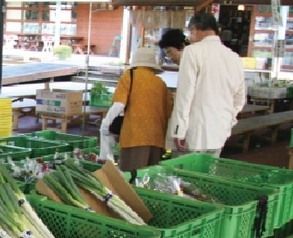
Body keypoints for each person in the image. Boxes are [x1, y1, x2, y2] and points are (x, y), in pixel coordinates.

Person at [168, 13, 246, 158]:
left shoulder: (192, 51)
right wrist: (228, 121)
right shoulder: (234, 57)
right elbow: (239, 99)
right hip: (220, 131)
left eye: (190, 33)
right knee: (207, 178)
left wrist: (179, 130)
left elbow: (185, 96)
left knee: (182, 177)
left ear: (195, 30)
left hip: (195, 131)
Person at [98, 48, 172, 176]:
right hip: (157, 139)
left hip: (134, 137)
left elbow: (119, 105)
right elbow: (168, 113)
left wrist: (105, 125)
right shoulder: (161, 83)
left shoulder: (129, 76)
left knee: (131, 179)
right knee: (149, 179)